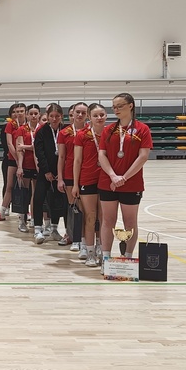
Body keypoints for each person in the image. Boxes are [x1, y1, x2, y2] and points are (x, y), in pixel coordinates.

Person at [98, 93, 152, 265]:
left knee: (130, 222)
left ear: (130, 106)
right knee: (108, 221)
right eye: (114, 107)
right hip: (108, 183)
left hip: (132, 183)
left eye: (120, 106)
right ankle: (106, 258)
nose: (116, 110)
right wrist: (113, 176)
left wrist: (124, 178)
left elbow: (143, 157)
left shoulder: (143, 129)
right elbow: (101, 155)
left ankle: (128, 258)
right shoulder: (108, 130)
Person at [72, 103, 108, 267]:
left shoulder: (110, 133)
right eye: (95, 115)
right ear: (89, 117)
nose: (99, 118)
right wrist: (75, 184)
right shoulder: (82, 135)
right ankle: (90, 253)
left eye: (102, 115)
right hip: (87, 179)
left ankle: (102, 248)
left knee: (104, 217)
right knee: (90, 217)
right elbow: (77, 160)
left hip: (106, 180)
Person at [57, 102, 89, 250]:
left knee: (87, 210)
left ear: (87, 115)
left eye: (83, 112)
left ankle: (85, 240)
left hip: (87, 174)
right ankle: (74, 237)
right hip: (70, 174)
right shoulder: (64, 133)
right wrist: (60, 178)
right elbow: (61, 157)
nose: (80, 115)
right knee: (74, 207)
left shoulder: (91, 131)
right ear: (73, 113)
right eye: (78, 112)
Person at [32, 103, 62, 244]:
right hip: (45, 172)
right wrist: (46, 171)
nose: (54, 119)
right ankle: (38, 229)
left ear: (61, 116)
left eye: (57, 116)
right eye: (51, 116)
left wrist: (61, 172)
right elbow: (39, 152)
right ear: (48, 117)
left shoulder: (65, 130)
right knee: (39, 198)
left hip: (60, 173)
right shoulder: (42, 131)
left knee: (57, 200)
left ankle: (54, 229)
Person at [0, 103, 26, 222]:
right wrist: (17, 159)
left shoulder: (28, 126)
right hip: (12, 159)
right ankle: (2, 212)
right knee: (9, 186)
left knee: (27, 188)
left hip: (27, 160)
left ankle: (26, 213)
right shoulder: (10, 125)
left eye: (21, 111)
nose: (18, 114)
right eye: (16, 111)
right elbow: (9, 144)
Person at [14, 104, 42, 234]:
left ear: (39, 114)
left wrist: (27, 146)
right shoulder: (22, 129)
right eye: (31, 114)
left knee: (36, 195)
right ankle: (22, 221)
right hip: (25, 165)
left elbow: (39, 147)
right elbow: (19, 149)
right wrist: (19, 167)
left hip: (38, 166)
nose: (33, 116)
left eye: (36, 113)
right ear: (27, 115)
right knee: (24, 195)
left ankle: (34, 219)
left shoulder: (42, 129)